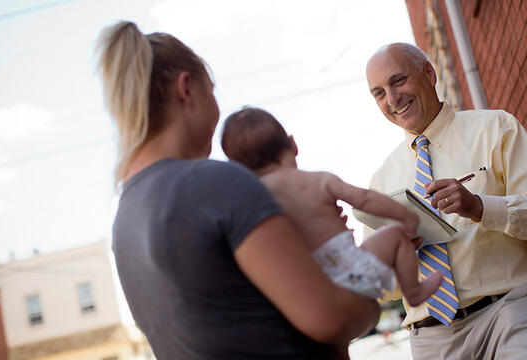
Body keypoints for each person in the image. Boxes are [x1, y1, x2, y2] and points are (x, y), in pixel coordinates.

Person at [94, 21, 380, 360]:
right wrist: (370, 280)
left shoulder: (123, 218)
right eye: (211, 89)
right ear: (186, 89)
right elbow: (330, 318)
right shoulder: (217, 183)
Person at [364, 42, 527, 359]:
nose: (392, 99)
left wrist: (480, 207)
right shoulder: (381, 181)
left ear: (429, 74)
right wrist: (394, 256)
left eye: (398, 81)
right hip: (431, 339)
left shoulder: (496, 128)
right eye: (379, 93)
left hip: (509, 312)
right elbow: (384, 288)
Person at [221, 107, 443, 308]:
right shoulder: (317, 180)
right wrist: (404, 215)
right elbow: (364, 199)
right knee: (395, 235)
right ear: (292, 144)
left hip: (311, 284)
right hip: (352, 270)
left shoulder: (257, 199)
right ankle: (413, 290)